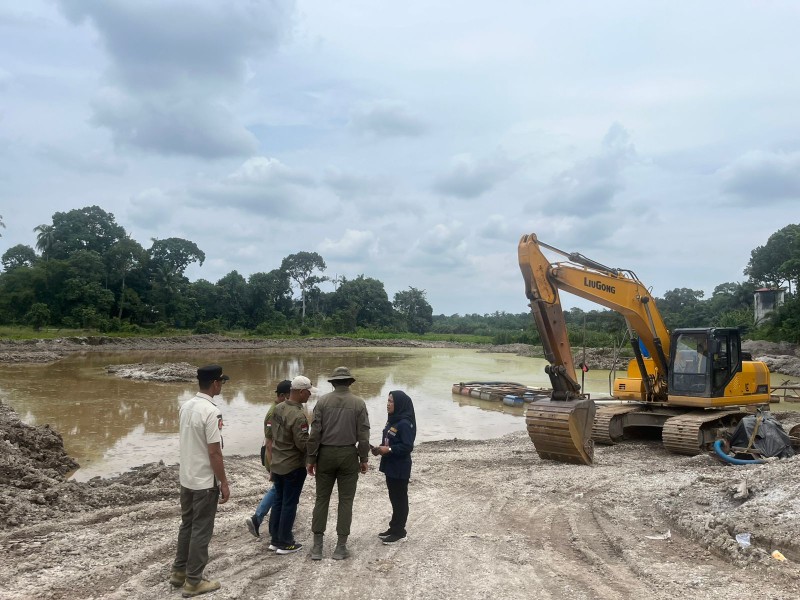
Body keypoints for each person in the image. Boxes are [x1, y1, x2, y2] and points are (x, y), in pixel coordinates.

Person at [170, 365, 231, 597]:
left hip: (187, 477)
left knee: (187, 525)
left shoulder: (186, 406)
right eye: (221, 382)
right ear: (215, 383)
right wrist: (224, 482)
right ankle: (193, 581)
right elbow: (214, 452)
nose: (222, 386)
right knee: (201, 530)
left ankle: (179, 572)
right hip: (205, 482)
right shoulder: (212, 412)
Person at [307, 366, 370, 560]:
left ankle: (317, 547)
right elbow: (364, 436)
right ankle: (340, 547)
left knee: (321, 499)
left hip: (325, 454)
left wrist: (311, 459)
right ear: (349, 382)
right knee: (346, 500)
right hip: (348, 455)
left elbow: (315, 434)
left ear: (333, 383)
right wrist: (363, 458)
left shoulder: (322, 402)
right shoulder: (359, 403)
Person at [267, 375, 315, 555]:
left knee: (279, 501)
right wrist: (315, 449)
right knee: (289, 503)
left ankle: (275, 539)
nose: (310, 395)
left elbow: (272, 433)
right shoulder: (298, 415)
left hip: (278, 462)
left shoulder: (278, 408)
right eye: (308, 392)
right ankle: (286, 542)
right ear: (301, 392)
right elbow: (302, 444)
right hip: (293, 465)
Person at [245, 379, 292, 538]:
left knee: (279, 488)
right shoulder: (274, 413)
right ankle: (257, 518)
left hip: (277, 457)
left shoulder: (280, 409)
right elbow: (270, 442)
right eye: (290, 394)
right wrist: (272, 467)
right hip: (273, 457)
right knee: (278, 488)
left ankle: (269, 521)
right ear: (283, 395)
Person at [372, 390, 416, 544]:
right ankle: (394, 527)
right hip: (390, 465)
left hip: (400, 466)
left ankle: (400, 532)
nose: (388, 404)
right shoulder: (392, 420)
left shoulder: (405, 423)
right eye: (388, 401)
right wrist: (380, 449)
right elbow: (389, 440)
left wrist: (389, 449)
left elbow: (407, 446)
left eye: (391, 401)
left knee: (400, 499)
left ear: (400, 404)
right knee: (394, 497)